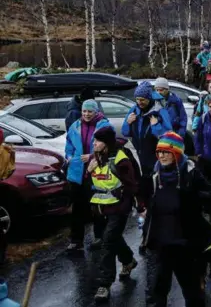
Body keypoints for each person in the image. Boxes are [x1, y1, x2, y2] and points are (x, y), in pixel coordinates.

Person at [142, 132, 211, 307]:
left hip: (185, 243)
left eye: (166, 152)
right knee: (156, 291)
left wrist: (192, 196)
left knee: (192, 291)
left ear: (176, 153)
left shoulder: (190, 173)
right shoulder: (154, 174)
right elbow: (148, 203)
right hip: (159, 243)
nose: (161, 156)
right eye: (159, 152)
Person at [88, 126, 140, 302]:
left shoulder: (121, 160)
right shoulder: (95, 157)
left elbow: (131, 186)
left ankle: (105, 284)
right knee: (113, 239)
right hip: (101, 208)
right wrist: (88, 170)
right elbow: (88, 183)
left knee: (108, 243)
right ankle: (129, 261)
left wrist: (126, 206)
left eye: (98, 141)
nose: (94, 143)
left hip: (118, 209)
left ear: (107, 143)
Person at [65, 99, 111, 251]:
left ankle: (100, 237)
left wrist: (92, 156)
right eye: (84, 111)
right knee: (77, 207)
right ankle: (76, 240)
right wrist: (69, 156)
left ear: (96, 111)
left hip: (96, 171)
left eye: (90, 111)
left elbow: (108, 147)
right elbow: (69, 144)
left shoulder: (104, 126)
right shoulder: (75, 125)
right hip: (77, 172)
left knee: (97, 205)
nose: (86, 114)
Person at [121, 82, 172, 208]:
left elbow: (167, 135)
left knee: (155, 184)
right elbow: (125, 132)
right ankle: (144, 209)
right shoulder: (134, 110)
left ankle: (157, 208)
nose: (139, 102)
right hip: (139, 154)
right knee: (141, 184)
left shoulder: (159, 111)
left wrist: (155, 126)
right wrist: (128, 122)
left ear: (149, 98)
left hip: (155, 155)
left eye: (142, 99)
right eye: (137, 99)